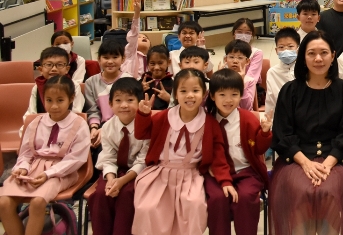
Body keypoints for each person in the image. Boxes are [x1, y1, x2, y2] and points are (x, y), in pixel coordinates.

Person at [270, 31, 343, 235]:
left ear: (333, 55)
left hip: (336, 159)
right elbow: (282, 134)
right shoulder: (290, 90)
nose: (318, 59)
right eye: (311, 53)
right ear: (303, 57)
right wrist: (306, 163)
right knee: (301, 190)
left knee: (328, 191)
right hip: (297, 159)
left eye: (324, 53)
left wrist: (327, 165)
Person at [133, 69, 236, 235]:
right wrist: (143, 115)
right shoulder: (164, 117)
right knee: (148, 207)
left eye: (195, 90)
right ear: (175, 94)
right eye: (183, 91)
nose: (190, 95)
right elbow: (141, 134)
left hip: (190, 175)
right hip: (160, 173)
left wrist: (225, 181)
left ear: (204, 94)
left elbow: (218, 156)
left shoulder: (210, 123)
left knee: (194, 205)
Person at [0, 76, 91, 235]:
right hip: (33, 168)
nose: (54, 106)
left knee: (37, 202)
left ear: (71, 99)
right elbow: (26, 153)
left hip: (61, 171)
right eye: (49, 100)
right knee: (4, 203)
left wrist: (48, 174)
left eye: (60, 100)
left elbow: (76, 159)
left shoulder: (79, 124)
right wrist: (22, 168)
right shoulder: (36, 122)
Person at [205, 69, 272, 235]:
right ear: (212, 96)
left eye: (234, 94)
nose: (228, 100)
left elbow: (259, 150)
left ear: (241, 95)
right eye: (222, 95)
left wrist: (264, 133)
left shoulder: (248, 118)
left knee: (246, 196)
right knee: (217, 198)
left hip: (246, 171)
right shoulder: (207, 120)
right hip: (215, 173)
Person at [89, 77, 150, 235]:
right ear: (110, 104)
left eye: (130, 100)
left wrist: (122, 181)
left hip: (138, 173)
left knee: (127, 194)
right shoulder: (108, 127)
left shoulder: (146, 126)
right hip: (115, 170)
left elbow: (143, 160)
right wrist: (111, 180)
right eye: (118, 100)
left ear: (140, 102)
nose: (124, 105)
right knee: (101, 194)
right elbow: (108, 157)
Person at [22, 47, 85, 131]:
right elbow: (31, 113)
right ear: (41, 69)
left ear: (67, 69)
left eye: (59, 65)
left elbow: (77, 111)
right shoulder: (36, 87)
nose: (54, 69)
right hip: (42, 127)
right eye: (49, 65)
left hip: (67, 127)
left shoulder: (74, 86)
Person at [85, 39, 132, 149]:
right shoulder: (91, 82)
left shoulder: (129, 80)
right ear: (99, 59)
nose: (110, 61)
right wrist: (94, 128)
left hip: (124, 124)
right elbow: (92, 110)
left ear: (123, 59)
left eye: (115, 57)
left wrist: (106, 129)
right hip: (100, 125)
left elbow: (128, 110)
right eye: (106, 57)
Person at [264, 27, 300, 116]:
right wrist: (269, 120)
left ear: (298, 49)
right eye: (281, 47)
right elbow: (270, 101)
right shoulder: (272, 72)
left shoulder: (305, 69)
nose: (286, 50)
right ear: (276, 50)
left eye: (290, 46)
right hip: (281, 116)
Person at [121, 0, 151, 78]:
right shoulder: (131, 52)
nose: (144, 37)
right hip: (128, 82)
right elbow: (134, 32)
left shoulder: (150, 59)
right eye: (139, 37)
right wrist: (137, 12)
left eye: (146, 38)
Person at [223, 39, 257, 110]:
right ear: (225, 59)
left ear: (247, 61)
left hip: (242, 115)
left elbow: (247, 107)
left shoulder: (249, 81)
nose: (235, 61)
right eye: (231, 57)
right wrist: (219, 80)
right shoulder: (219, 78)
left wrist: (241, 83)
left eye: (240, 58)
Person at [140, 45, 173, 111]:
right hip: (144, 115)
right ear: (147, 64)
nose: (156, 67)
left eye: (160, 63)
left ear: (169, 62)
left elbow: (179, 105)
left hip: (164, 115)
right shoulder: (141, 82)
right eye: (152, 63)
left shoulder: (174, 83)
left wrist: (169, 99)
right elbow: (133, 100)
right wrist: (140, 90)